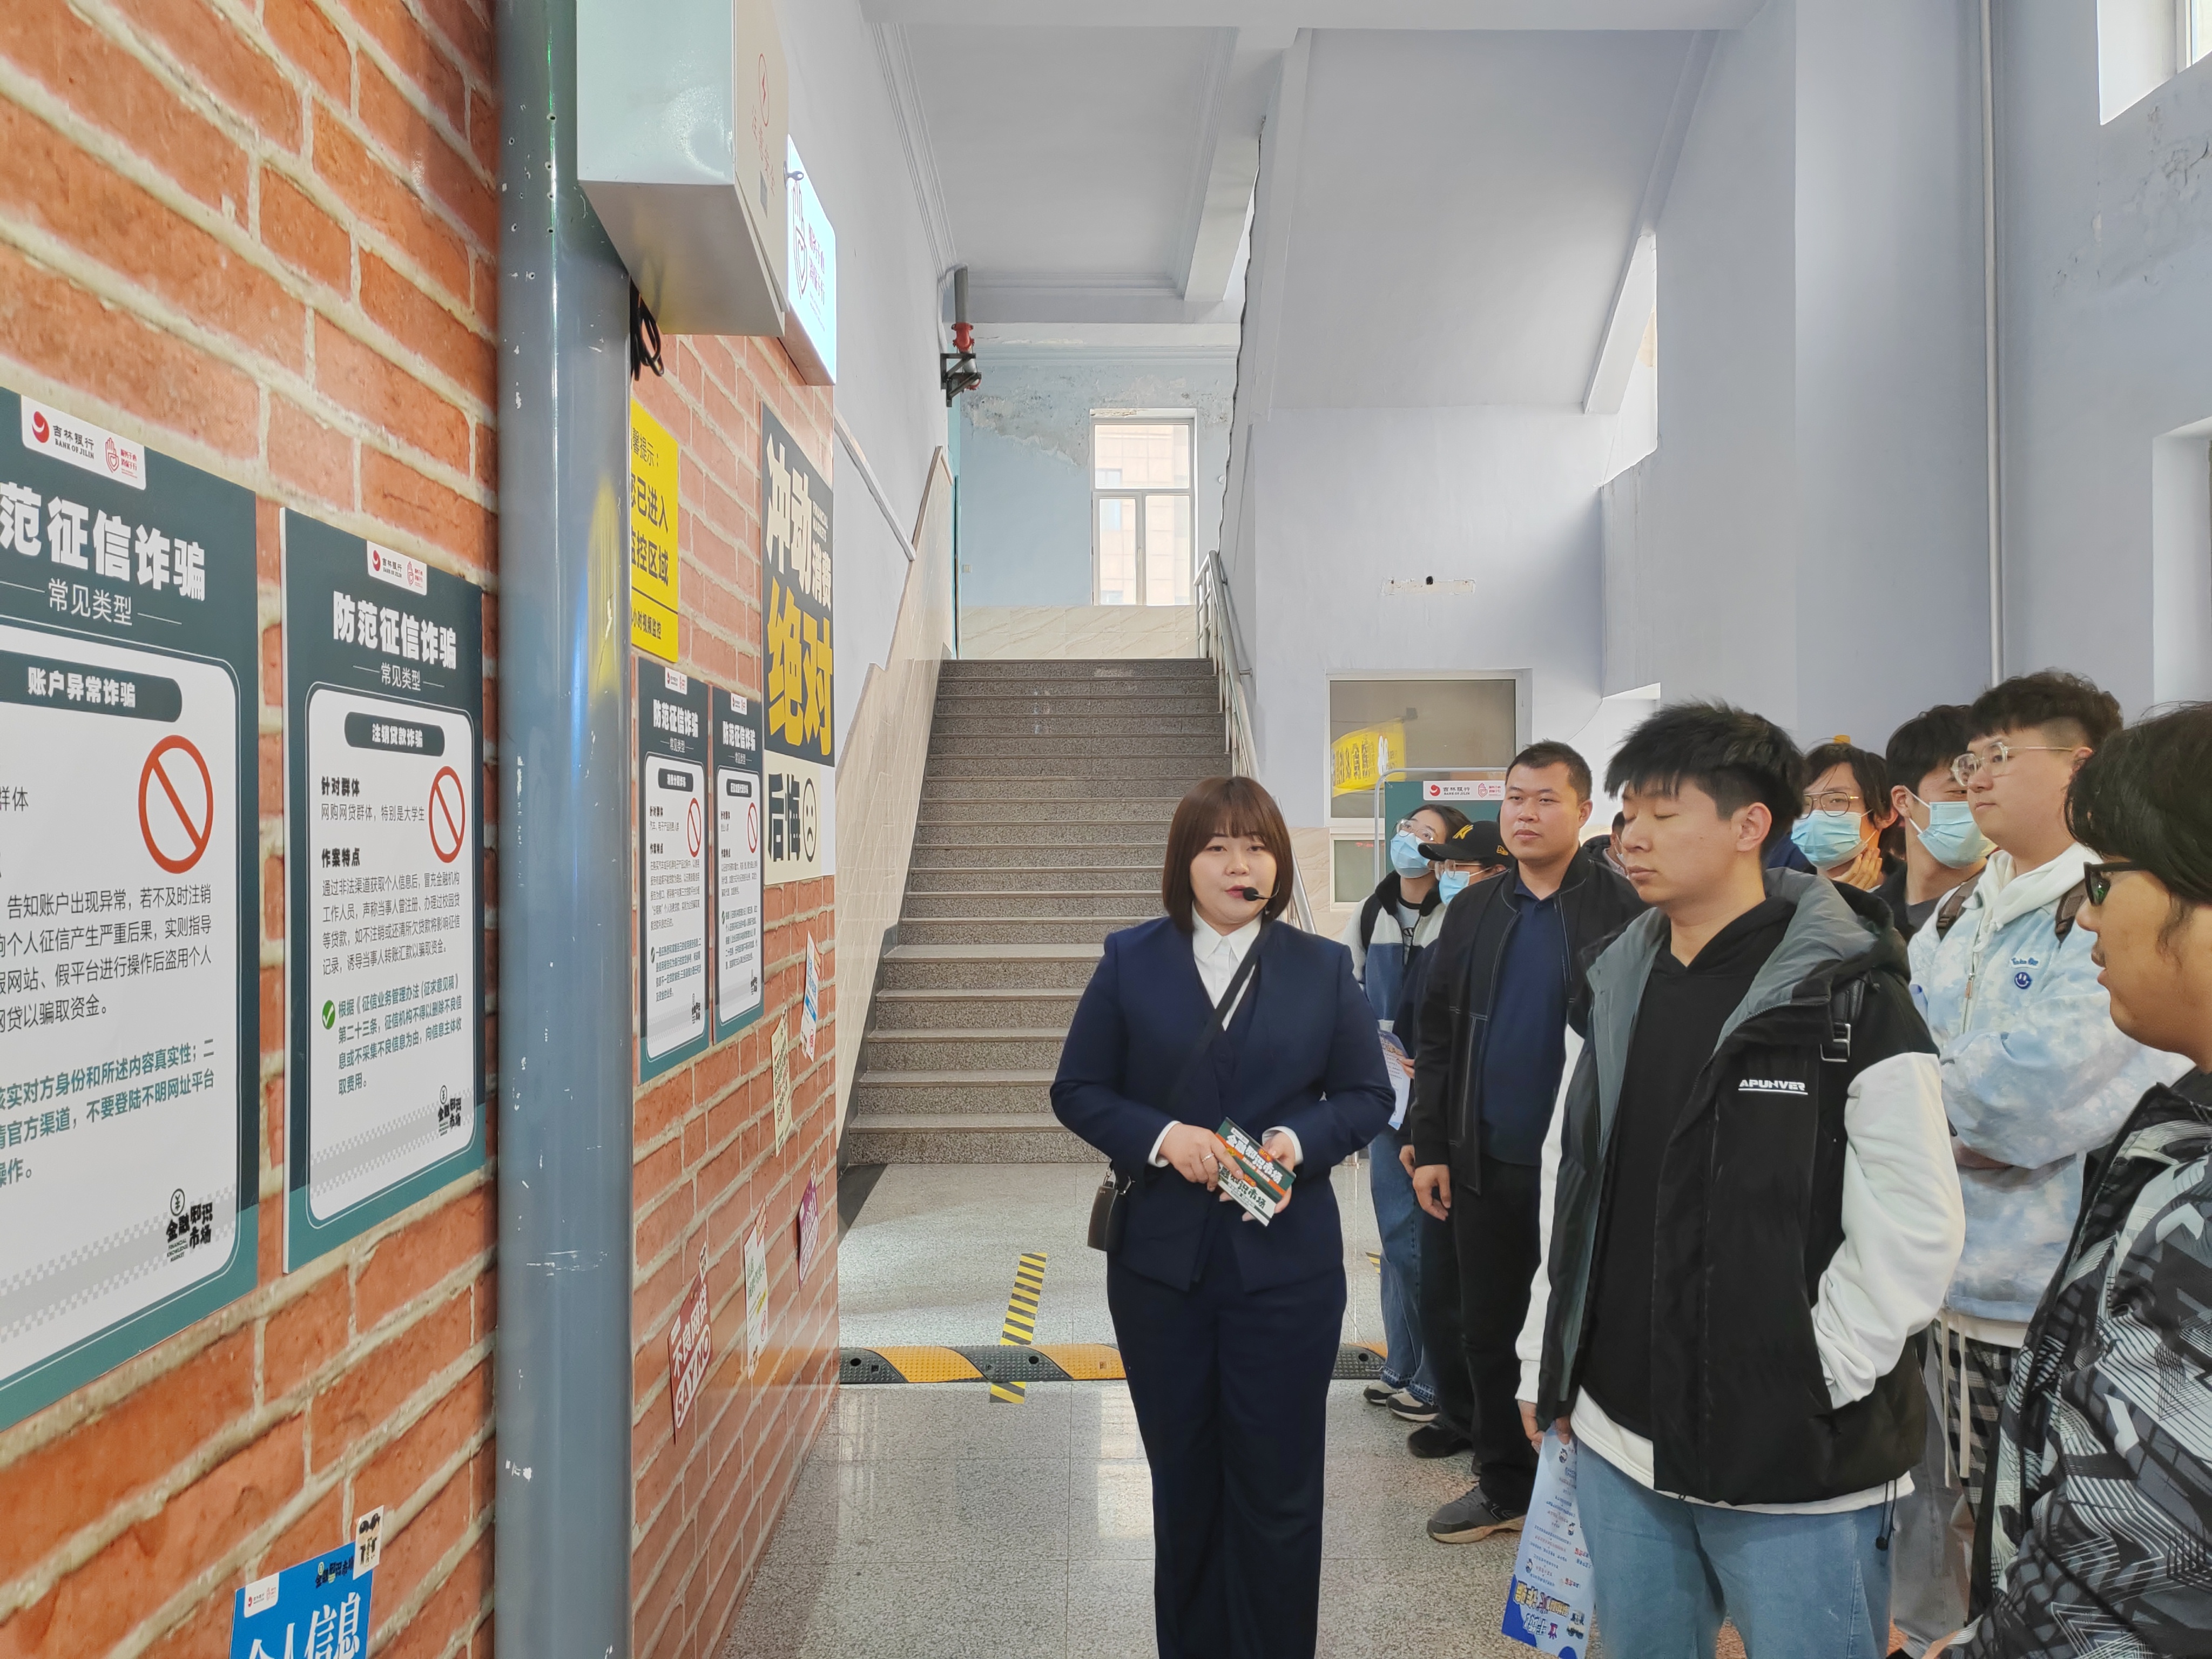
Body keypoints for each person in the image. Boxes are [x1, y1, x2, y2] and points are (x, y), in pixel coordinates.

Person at [1525, 702, 1964, 1655]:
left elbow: (1916, 1223)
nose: (1631, 837)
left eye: (1662, 813)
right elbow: (1574, 1179)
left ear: (1749, 825)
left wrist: (1812, 1372)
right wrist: (1544, 1355)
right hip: (1619, 1432)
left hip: (1795, 1458)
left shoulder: (1851, 993)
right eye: (1626, 814)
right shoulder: (1616, 982)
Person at [1051, 774, 1393, 1659]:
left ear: (1278, 863)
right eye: (1217, 847)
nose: (1241, 864)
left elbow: (1366, 1095)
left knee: (1280, 1487)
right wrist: (1165, 1137)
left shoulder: (1321, 966)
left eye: (1258, 846)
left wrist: (1294, 1140)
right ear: (1185, 862)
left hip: (1288, 1271)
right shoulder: (1132, 958)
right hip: (1161, 1270)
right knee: (1185, 1483)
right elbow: (1078, 1088)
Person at [1925, 703, 2212, 1655]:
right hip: (1955, 1287)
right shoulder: (1959, 911)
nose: (2089, 913)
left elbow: (2135, 1567)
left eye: (2107, 880)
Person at [1404, 744, 1643, 1543]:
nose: (1526, 813)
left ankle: (1597, 1497)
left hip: (1588, 1169)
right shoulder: (1475, 909)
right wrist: (1431, 1144)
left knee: (1590, 1326)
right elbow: (1436, 1036)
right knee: (1488, 1326)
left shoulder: (1624, 909)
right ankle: (1504, 1482)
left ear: (1584, 812)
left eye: (1546, 799)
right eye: (1515, 798)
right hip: (1485, 1158)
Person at [1340, 801, 1470, 1422]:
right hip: (1386, 1088)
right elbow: (1348, 988)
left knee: (1416, 1235)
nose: (1411, 840)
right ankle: (1403, 1364)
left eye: (1427, 834)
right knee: (1395, 1238)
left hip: (1438, 1087)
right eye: (1407, 828)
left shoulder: (1458, 914)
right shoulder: (1373, 911)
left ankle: (1436, 1379)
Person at [1879, 704, 1988, 941]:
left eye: (1984, 790)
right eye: (1960, 792)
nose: (1976, 803)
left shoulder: (2016, 906)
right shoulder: (1867, 919)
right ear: (1903, 800)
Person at [1793, 737, 1901, 891]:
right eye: (1805, 803)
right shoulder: (1781, 893)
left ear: (1886, 814)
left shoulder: (1915, 895)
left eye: (1837, 800)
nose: (1815, 814)